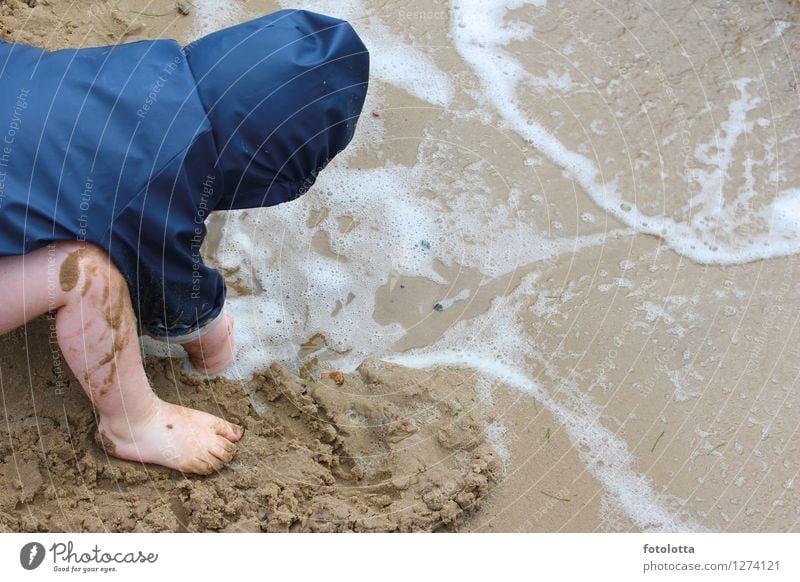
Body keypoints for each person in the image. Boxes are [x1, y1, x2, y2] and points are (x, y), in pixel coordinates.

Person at [0, 9, 370, 474]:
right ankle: (134, 424)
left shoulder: (134, 69)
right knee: (84, 275)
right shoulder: (160, 179)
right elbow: (168, 283)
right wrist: (211, 343)